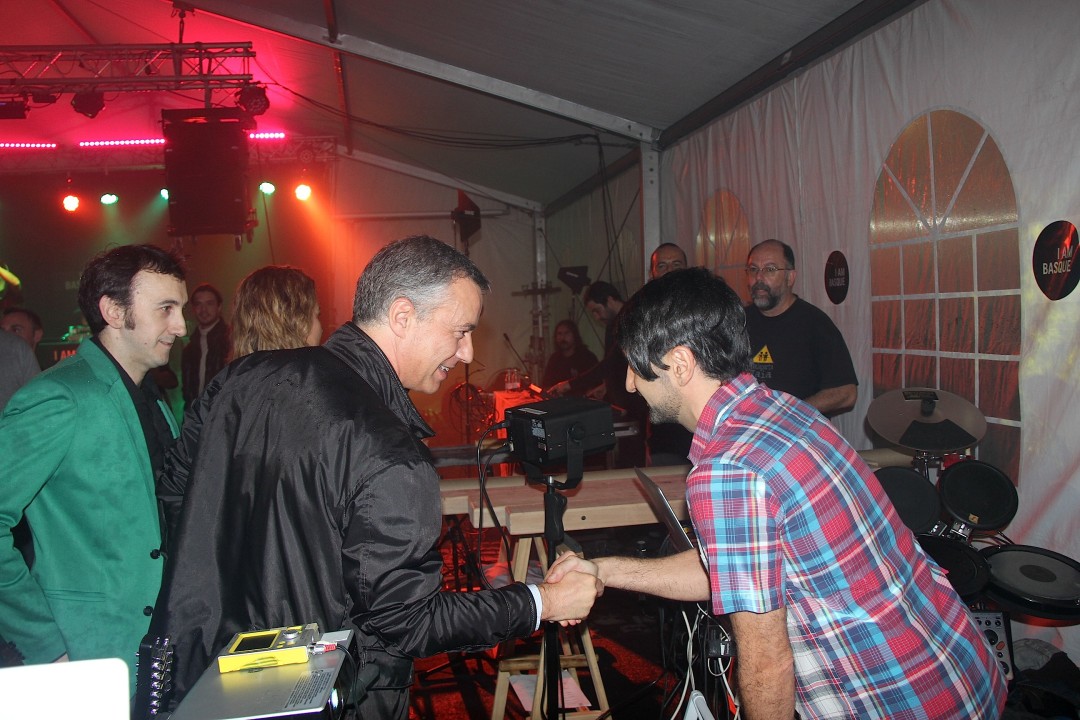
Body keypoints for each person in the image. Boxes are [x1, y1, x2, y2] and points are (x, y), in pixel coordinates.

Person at [151, 235, 599, 718]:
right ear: (402, 316)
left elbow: (175, 493)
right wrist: (542, 601)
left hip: (199, 676)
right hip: (319, 698)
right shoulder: (389, 450)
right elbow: (408, 620)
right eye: (461, 331)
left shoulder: (240, 377)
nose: (467, 353)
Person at [548, 267, 1007, 719]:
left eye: (636, 367)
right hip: (960, 671)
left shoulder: (727, 469)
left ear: (681, 365)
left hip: (901, 701)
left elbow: (768, 664)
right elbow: (730, 570)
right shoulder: (781, 409)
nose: (630, 383)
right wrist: (603, 569)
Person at [0, 244, 187, 692]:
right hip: (83, 654)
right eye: (166, 309)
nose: (181, 326)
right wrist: (44, 644)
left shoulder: (151, 397)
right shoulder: (59, 397)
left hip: (154, 650)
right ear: (114, 311)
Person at [744, 239, 857, 416]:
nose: (759, 277)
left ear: (790, 277)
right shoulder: (737, 323)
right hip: (748, 428)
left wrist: (788, 412)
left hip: (797, 430)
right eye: (753, 269)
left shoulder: (815, 324)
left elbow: (846, 393)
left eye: (770, 269)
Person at [549, 280, 648, 467]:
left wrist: (570, 384)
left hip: (634, 404)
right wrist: (606, 385)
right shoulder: (613, 324)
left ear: (609, 300)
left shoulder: (630, 320)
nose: (596, 316)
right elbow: (615, 363)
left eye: (597, 310)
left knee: (633, 459)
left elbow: (610, 362)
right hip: (622, 403)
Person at [647, 243, 694, 466]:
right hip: (663, 429)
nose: (670, 271)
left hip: (699, 425)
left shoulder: (703, 309)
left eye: (676, 265)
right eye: (662, 266)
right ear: (652, 273)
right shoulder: (644, 313)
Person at [230, 265, 323, 358]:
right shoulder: (311, 365)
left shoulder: (238, 367)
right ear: (294, 322)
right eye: (316, 315)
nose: (322, 329)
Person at [180, 282, 229, 405]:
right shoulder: (190, 349)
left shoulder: (231, 341)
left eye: (209, 303)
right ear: (193, 309)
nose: (203, 310)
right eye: (198, 304)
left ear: (219, 307)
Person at [540, 318, 598, 389]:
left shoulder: (587, 358)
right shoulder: (554, 359)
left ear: (574, 335)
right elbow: (546, 384)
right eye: (559, 334)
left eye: (566, 333)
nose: (563, 338)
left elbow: (595, 384)